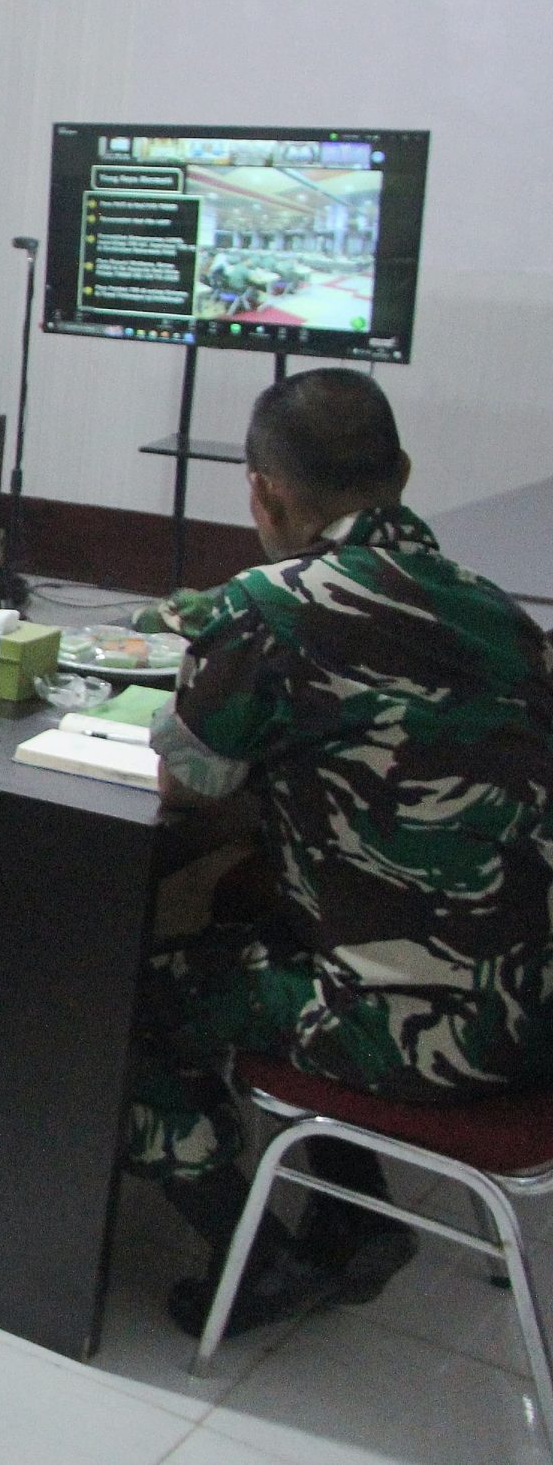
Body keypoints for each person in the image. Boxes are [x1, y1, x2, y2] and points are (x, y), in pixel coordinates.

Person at [129, 368, 553, 1338]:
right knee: (250, 906)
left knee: (133, 998)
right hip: (538, 1008)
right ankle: (352, 1214)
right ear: (401, 472)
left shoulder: (270, 605)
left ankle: (257, 1262)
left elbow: (188, 786)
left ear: (263, 491)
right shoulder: (499, 610)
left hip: (431, 1039)